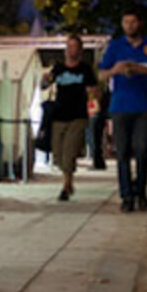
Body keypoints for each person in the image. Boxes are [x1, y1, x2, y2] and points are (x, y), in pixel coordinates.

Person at [100, 12, 147, 212]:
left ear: (140, 23)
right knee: (121, 153)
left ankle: (141, 191)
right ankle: (126, 195)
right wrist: (116, 70)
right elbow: (102, 73)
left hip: (144, 106)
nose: (129, 25)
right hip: (120, 106)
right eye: (126, 22)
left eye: (133, 21)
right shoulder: (115, 47)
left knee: (141, 150)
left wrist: (141, 69)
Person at [41, 33, 99, 201]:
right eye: (68, 46)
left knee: (69, 152)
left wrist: (92, 96)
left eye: (74, 47)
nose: (70, 50)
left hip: (78, 116)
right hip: (59, 115)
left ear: (80, 50)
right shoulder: (58, 68)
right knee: (58, 155)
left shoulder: (85, 69)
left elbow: (95, 90)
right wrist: (44, 80)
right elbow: (44, 86)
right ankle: (68, 180)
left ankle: (66, 185)